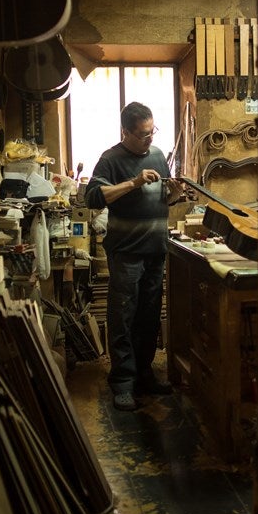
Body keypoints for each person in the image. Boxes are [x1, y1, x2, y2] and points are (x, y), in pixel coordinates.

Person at [85, 101, 187, 410]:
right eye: (143, 134)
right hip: (126, 252)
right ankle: (122, 382)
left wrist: (175, 192)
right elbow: (93, 198)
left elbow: (165, 198)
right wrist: (134, 182)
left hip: (155, 250)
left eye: (152, 131)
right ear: (125, 131)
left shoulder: (157, 155)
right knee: (123, 317)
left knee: (149, 316)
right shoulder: (110, 159)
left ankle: (144, 375)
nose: (150, 139)